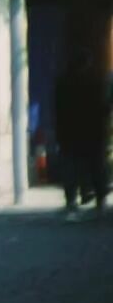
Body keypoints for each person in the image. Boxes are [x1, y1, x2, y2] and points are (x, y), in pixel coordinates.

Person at [54, 43, 110, 217]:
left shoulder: (63, 82)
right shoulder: (95, 81)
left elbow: (58, 109)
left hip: (70, 133)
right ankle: (99, 199)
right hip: (93, 131)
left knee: (72, 167)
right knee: (96, 165)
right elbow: (103, 106)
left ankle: (72, 199)